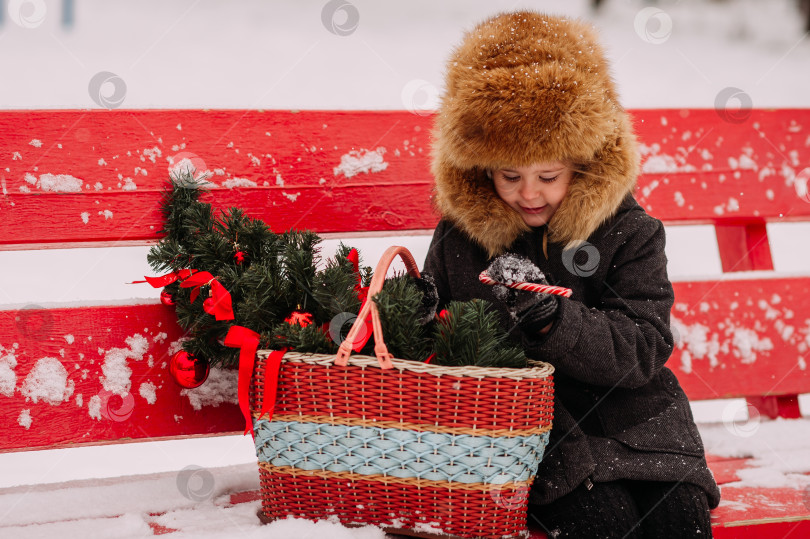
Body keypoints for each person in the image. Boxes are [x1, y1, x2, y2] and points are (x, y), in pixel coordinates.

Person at [423, 11, 720, 539]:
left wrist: (559, 325)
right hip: (538, 441)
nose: (529, 194)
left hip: (641, 427)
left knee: (677, 521)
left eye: (548, 176)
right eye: (510, 176)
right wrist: (417, 310)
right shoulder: (459, 240)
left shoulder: (629, 232)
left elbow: (645, 346)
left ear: (583, 164)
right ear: (478, 168)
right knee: (604, 522)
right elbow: (433, 341)